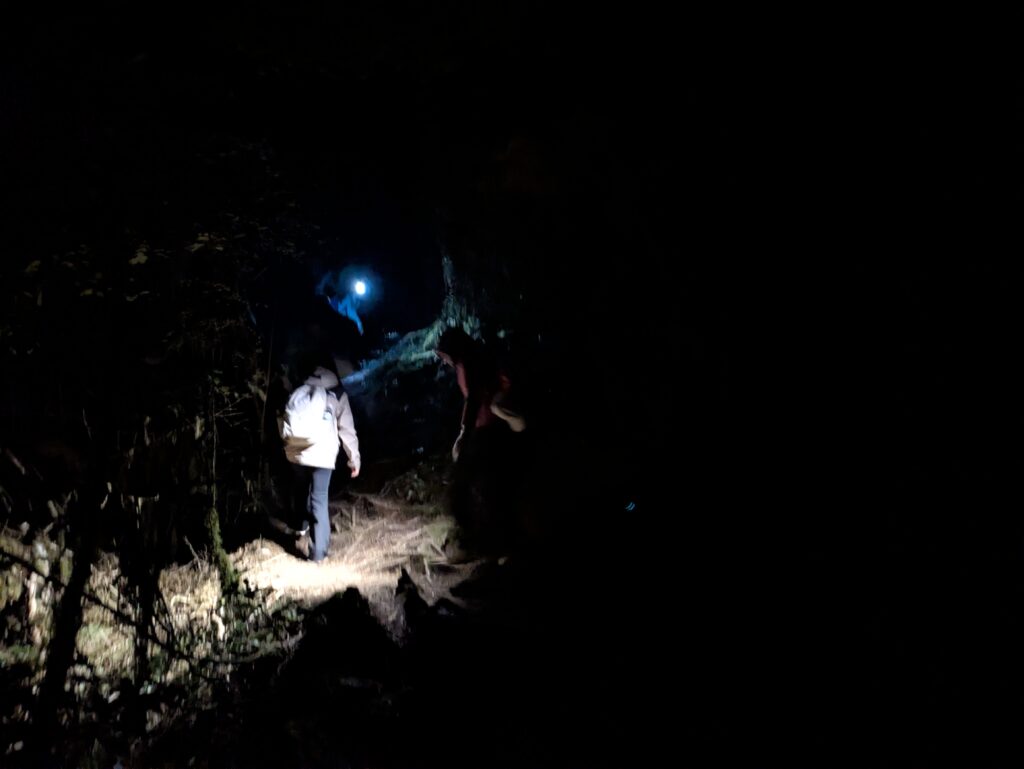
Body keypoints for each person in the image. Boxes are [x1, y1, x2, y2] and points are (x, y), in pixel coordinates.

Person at [434, 327, 526, 553]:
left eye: (444, 355)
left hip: (487, 427)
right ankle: (501, 537)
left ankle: (488, 539)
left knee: (482, 482)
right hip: (492, 425)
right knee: (494, 482)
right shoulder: (474, 357)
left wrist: (465, 432)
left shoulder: (466, 363)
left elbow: (474, 398)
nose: (443, 361)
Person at [280, 356, 360, 562]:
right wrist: (354, 459)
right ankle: (318, 554)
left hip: (298, 451)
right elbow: (347, 430)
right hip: (323, 453)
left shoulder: (303, 388)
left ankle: (300, 529)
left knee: (300, 489)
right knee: (319, 499)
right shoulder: (338, 393)